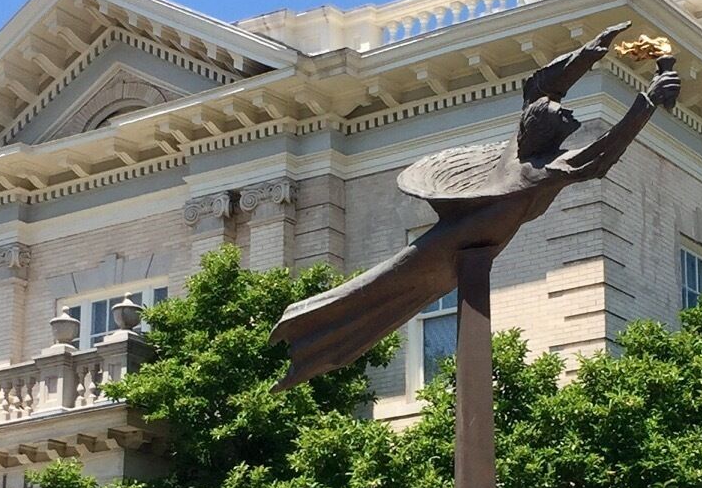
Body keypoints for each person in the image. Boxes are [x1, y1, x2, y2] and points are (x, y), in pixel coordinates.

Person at [271, 23, 680, 385]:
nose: (569, 115)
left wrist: (591, 52)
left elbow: (541, 87)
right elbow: (601, 153)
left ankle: (312, 341)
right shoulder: (535, 169)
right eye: (563, 117)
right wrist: (646, 100)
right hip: (449, 249)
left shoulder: (519, 150)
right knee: (374, 296)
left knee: (379, 302)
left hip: (463, 247)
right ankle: (309, 338)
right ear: (542, 131)